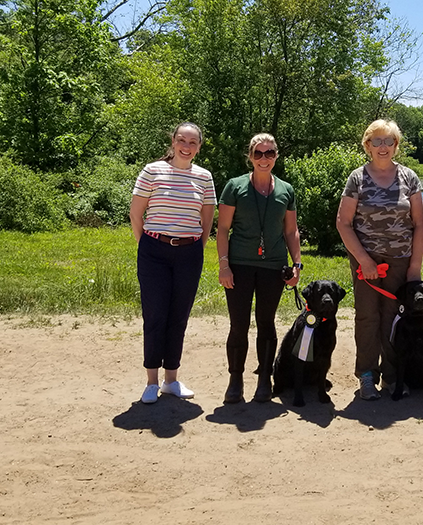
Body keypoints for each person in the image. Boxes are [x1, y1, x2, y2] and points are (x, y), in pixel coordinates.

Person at [336, 119, 423, 400]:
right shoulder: (357, 178)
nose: (383, 146)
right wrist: (364, 260)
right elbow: (343, 223)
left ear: (396, 145)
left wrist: (415, 267)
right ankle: (366, 376)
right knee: (367, 318)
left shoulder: (409, 178)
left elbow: (420, 224)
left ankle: (392, 376)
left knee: (394, 319)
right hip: (366, 264)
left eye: (389, 141)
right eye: (377, 141)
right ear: (368, 145)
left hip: (400, 261)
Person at [129, 122, 216, 404]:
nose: (186, 147)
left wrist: (195, 249)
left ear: (199, 147)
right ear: (173, 141)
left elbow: (206, 220)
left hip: (189, 252)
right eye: (182, 140)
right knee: (155, 316)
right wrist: (147, 244)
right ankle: (151, 382)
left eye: (193, 143)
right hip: (153, 251)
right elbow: (136, 214)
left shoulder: (204, 177)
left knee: (179, 316)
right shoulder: (152, 170)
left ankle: (172, 380)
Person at [217, 133, 301, 404]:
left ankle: (265, 379)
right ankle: (235, 380)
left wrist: (296, 264)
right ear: (250, 157)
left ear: (276, 156)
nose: (264, 159)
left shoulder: (286, 190)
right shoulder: (235, 187)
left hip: (273, 267)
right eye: (258, 153)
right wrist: (224, 266)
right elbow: (222, 230)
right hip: (239, 265)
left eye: (270, 153)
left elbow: (291, 231)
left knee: (266, 323)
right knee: (238, 325)